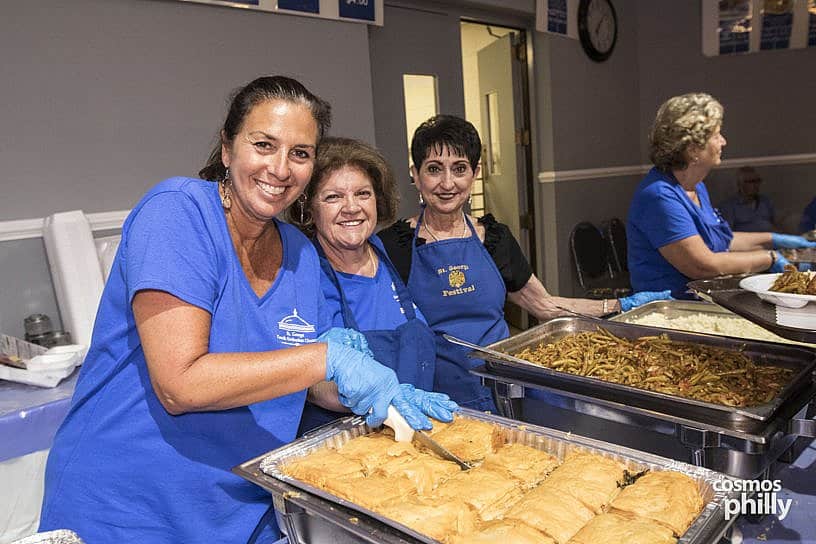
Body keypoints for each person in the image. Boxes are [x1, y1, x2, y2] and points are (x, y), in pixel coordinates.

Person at [38, 76, 455, 544]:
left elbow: (305, 383)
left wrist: (377, 392)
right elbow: (180, 383)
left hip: (241, 507)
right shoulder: (178, 212)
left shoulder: (298, 253)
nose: (280, 168)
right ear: (226, 148)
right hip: (130, 511)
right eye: (263, 144)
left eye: (300, 153)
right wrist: (326, 357)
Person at [378, 115, 670, 412]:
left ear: (476, 172)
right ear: (415, 174)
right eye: (434, 169)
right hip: (432, 398)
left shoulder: (495, 238)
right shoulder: (392, 246)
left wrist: (622, 307)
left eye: (460, 168)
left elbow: (545, 307)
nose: (448, 183)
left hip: (502, 390)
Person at [288, 137, 447, 434]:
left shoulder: (384, 251)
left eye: (363, 194)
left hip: (415, 427)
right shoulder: (301, 274)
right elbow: (307, 382)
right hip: (346, 443)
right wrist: (376, 397)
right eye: (333, 197)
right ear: (309, 208)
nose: (351, 208)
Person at [627, 92, 816, 298]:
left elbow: (721, 241)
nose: (724, 142)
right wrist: (769, 258)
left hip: (703, 298)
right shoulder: (659, 197)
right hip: (671, 307)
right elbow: (702, 265)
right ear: (692, 150)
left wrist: (777, 240)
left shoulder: (696, 186)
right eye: (716, 136)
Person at [718, 166, 776, 232]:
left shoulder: (766, 202)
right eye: (751, 181)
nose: (756, 185)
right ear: (740, 184)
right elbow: (728, 234)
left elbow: (776, 224)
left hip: (769, 240)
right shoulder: (729, 206)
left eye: (758, 181)